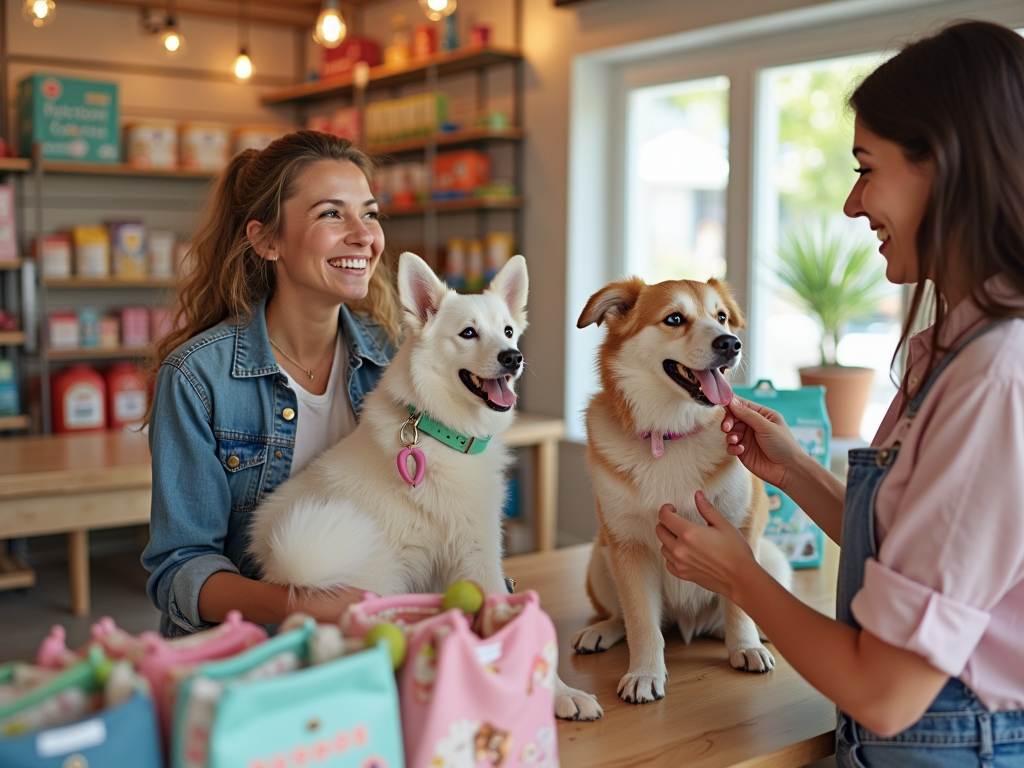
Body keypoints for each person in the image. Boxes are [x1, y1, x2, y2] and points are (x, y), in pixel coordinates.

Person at [655, 20, 1024, 768]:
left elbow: (887, 691)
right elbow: (915, 551)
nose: (854, 206)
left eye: (867, 168)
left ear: (945, 167)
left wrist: (741, 578)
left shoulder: (995, 378)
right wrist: (794, 471)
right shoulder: (948, 350)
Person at [141, 130, 400, 637]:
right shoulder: (196, 377)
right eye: (332, 213)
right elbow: (181, 570)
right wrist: (298, 605)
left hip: (369, 645)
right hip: (243, 659)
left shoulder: (396, 357)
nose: (364, 235)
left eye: (369, 213)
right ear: (266, 240)